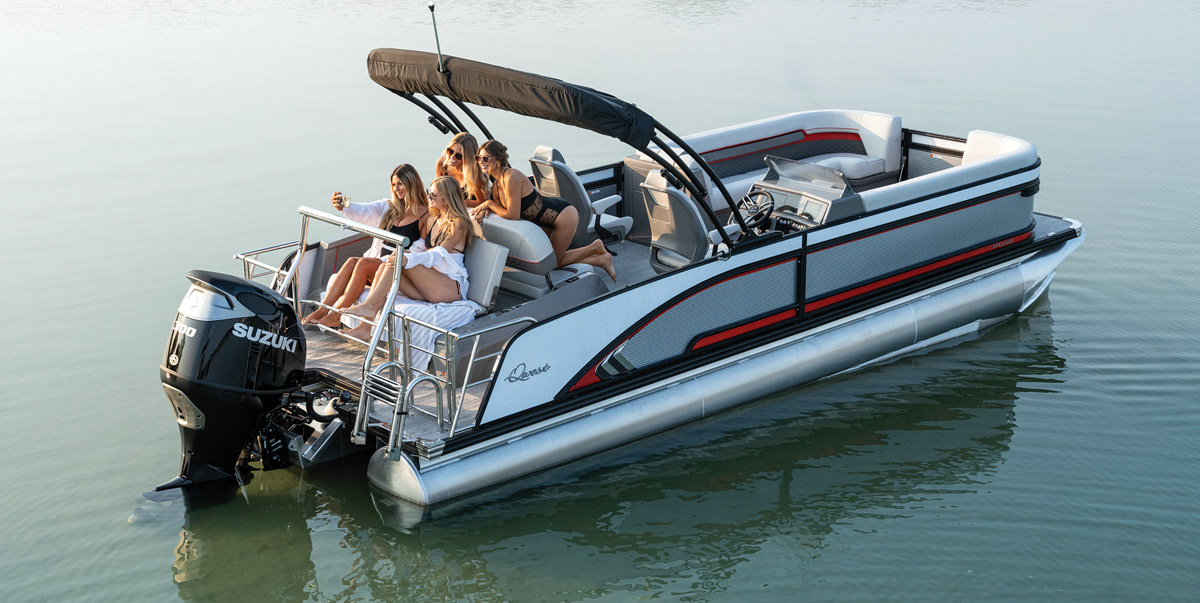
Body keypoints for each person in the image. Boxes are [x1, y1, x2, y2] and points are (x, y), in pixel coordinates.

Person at [342, 176, 482, 341]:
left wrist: (410, 259)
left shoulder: (459, 224)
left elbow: (439, 253)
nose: (428, 197)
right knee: (388, 263)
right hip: (429, 285)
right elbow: (420, 247)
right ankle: (366, 327)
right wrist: (400, 258)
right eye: (429, 193)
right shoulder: (432, 220)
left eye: (433, 195)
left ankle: (370, 306)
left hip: (449, 286)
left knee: (402, 256)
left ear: (446, 198)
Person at [301, 164, 430, 328]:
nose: (397, 189)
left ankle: (335, 315)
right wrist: (344, 204)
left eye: (400, 184)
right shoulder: (388, 207)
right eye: (394, 184)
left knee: (362, 263)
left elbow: (419, 250)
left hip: (398, 270)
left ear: (412, 183)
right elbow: (363, 209)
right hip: (378, 264)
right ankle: (322, 311)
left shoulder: (425, 214)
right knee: (351, 262)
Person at [469, 139, 616, 281]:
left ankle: (595, 247)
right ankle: (601, 260)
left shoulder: (511, 177)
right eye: (478, 158)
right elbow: (499, 209)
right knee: (549, 260)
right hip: (543, 221)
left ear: (498, 160)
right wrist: (486, 209)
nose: (481, 161)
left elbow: (512, 215)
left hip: (562, 215)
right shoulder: (496, 186)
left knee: (554, 263)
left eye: (485, 158)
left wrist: (489, 204)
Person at [434, 132, 489, 205]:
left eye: (458, 155)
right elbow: (438, 191)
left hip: (468, 211)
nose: (452, 157)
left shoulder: (474, 175)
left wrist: (455, 202)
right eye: (450, 151)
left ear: (467, 157)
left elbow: (482, 202)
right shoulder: (442, 164)